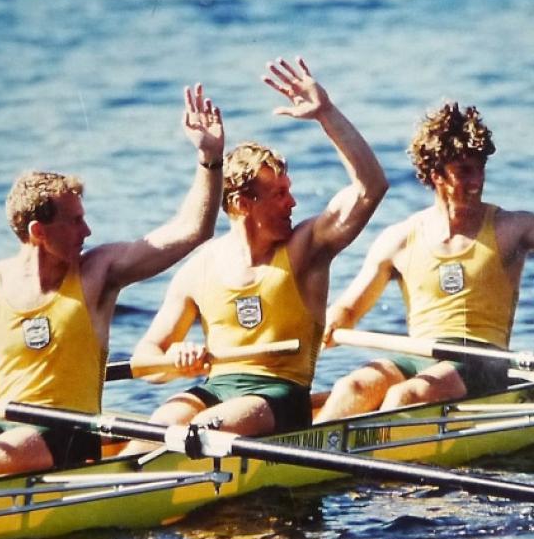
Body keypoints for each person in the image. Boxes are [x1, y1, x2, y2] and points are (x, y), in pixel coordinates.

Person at [0, 84, 225, 491]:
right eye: (75, 221)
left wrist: (209, 159)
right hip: (5, 425)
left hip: (71, 433)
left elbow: (192, 231)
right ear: (38, 231)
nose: (88, 230)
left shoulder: (99, 273)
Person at [313, 102, 534, 422]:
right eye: (464, 171)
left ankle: (377, 475)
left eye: (479, 168)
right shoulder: (398, 239)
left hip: (482, 363)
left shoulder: (510, 229)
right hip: (419, 354)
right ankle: (308, 452)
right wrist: (331, 325)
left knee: (406, 396)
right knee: (353, 386)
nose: (477, 181)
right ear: (436, 175)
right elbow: (349, 307)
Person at [119, 57, 388, 455]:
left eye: (289, 189)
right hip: (214, 388)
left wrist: (326, 114)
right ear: (243, 203)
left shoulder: (306, 249)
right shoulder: (200, 268)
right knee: (157, 427)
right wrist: (174, 358)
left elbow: (371, 188)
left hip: (280, 396)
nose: (292, 202)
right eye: (279, 194)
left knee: (202, 430)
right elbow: (145, 359)